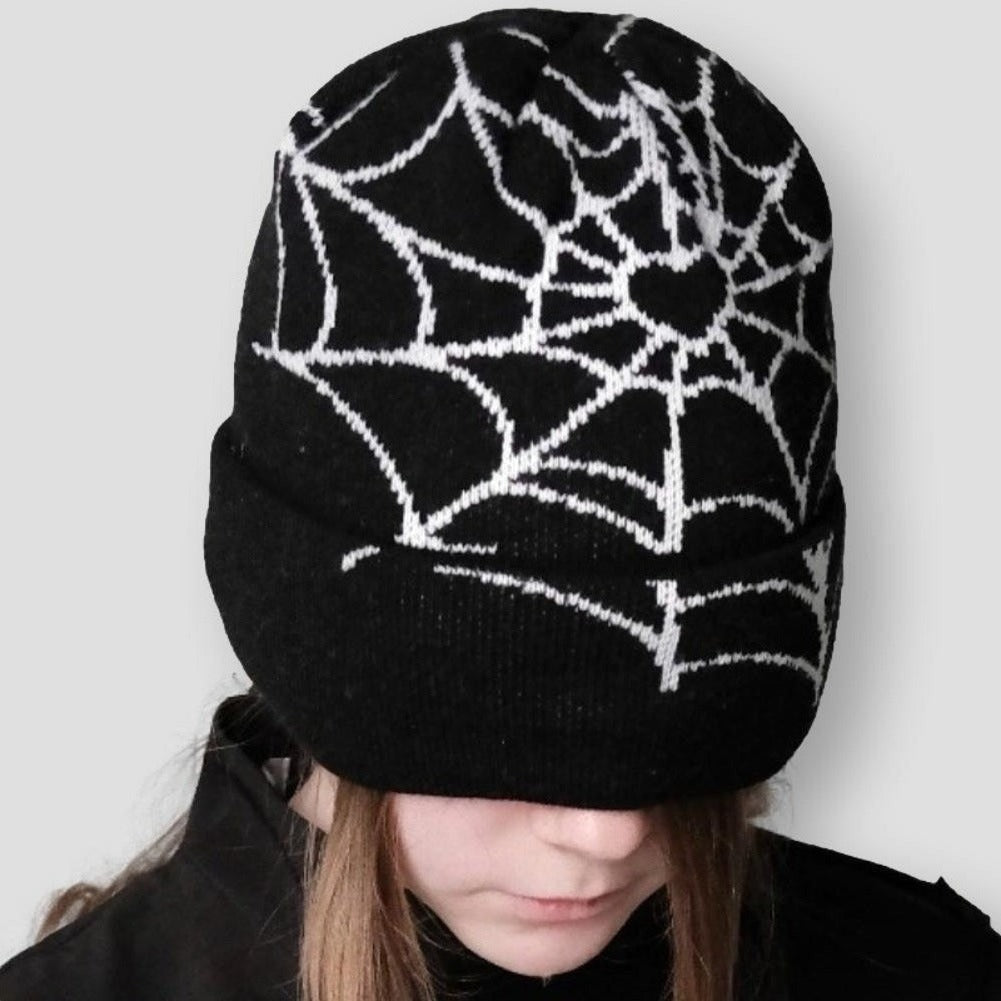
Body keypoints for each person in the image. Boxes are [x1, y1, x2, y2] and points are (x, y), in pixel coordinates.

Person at [1, 8, 998, 1001]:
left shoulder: (926, 973)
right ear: (318, 652)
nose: (606, 832)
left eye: (681, 740)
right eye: (519, 732)